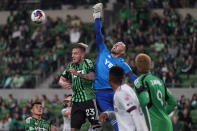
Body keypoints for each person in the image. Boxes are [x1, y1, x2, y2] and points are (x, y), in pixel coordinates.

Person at [92, 3, 137, 131]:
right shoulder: (103, 51)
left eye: (120, 44)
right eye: (116, 43)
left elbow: (132, 76)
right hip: (100, 93)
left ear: (123, 51)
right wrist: (97, 16)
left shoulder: (123, 63)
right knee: (113, 119)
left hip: (116, 93)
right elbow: (98, 33)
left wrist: (143, 85)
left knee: (122, 118)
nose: (117, 44)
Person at [59, 43, 101, 131]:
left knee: (96, 127)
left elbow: (92, 77)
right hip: (76, 102)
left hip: (88, 100)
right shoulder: (71, 65)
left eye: (75, 53)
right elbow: (61, 79)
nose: (72, 56)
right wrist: (63, 83)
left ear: (82, 55)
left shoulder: (88, 62)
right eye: (72, 53)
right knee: (74, 129)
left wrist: (77, 74)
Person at [133, 53, 177, 131]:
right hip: (167, 123)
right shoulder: (159, 80)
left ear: (137, 66)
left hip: (153, 124)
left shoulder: (139, 81)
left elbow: (145, 100)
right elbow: (173, 102)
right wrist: (162, 113)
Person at [99, 66, 148, 131]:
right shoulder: (125, 89)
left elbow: (134, 112)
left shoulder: (121, 93)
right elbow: (123, 113)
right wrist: (109, 114)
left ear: (109, 79)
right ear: (122, 78)